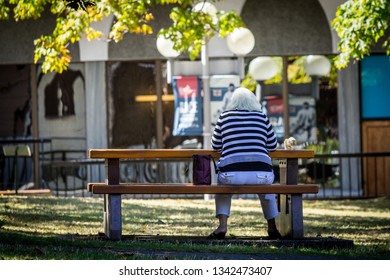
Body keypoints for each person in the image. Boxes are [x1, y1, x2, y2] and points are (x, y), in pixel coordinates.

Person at [209, 87, 282, 240]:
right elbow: (273, 146)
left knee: (222, 190)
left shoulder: (224, 117)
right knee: (267, 190)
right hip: (261, 174)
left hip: (231, 174)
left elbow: (215, 145)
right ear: (253, 101)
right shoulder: (262, 117)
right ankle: (272, 227)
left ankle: (222, 226)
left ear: (233, 101)